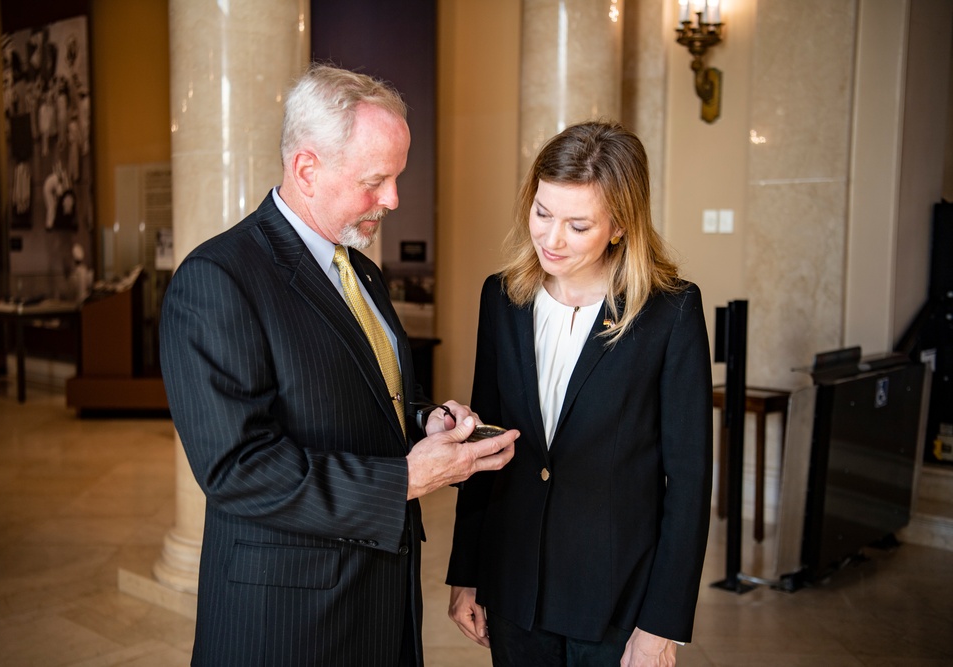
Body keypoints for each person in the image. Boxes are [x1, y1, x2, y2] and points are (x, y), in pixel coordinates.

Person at [160, 63, 518, 667]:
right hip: (290, 622)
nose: (394, 199)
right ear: (306, 168)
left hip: (380, 602)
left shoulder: (362, 270)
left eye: (397, 178)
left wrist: (426, 424)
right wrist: (407, 479)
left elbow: (373, 397)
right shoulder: (218, 280)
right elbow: (238, 469)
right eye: (376, 180)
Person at [446, 121, 712, 667]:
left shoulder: (671, 312)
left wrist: (660, 625)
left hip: (615, 601)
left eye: (578, 224)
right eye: (542, 213)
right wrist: (467, 573)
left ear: (619, 227)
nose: (551, 238)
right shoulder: (502, 298)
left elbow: (689, 482)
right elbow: (483, 446)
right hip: (514, 588)